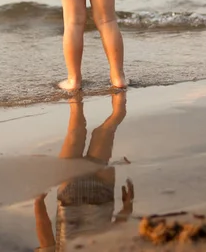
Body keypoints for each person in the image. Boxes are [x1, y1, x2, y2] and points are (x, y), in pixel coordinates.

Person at [33, 92, 134, 252]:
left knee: (90, 131)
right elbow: (46, 240)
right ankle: (96, 86)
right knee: (82, 132)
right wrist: (39, 201)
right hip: (88, 195)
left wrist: (38, 201)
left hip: (85, 194)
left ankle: (82, 86)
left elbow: (47, 242)